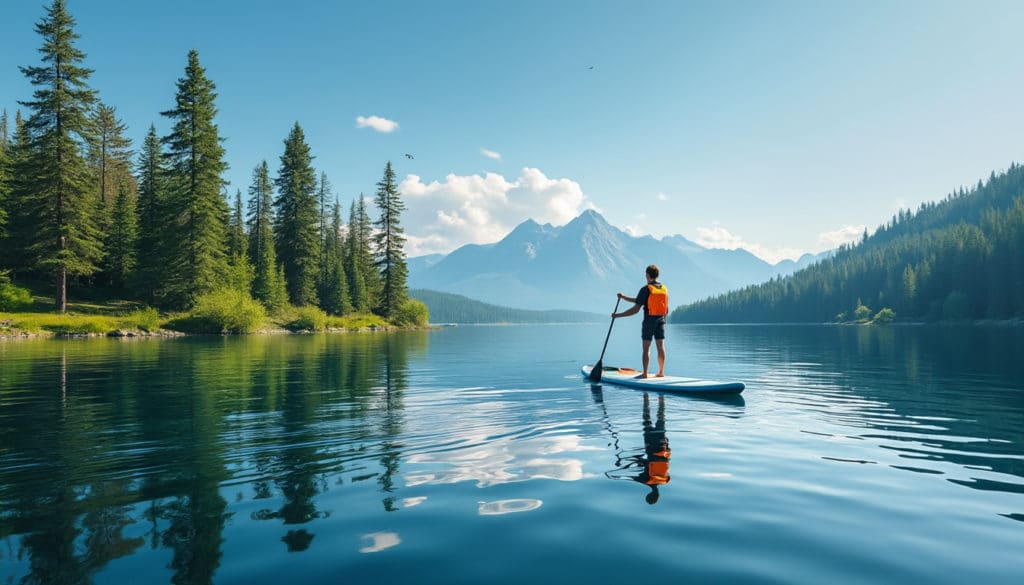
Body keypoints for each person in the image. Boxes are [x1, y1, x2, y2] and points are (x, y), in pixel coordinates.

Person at [613, 264, 668, 378]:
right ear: (657, 275)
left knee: (646, 348)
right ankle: (661, 372)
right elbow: (664, 308)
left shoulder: (646, 289)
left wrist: (618, 315)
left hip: (649, 321)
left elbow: (635, 309)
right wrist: (624, 297)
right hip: (661, 320)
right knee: (660, 347)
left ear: (647, 275)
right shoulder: (663, 289)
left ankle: (645, 374)